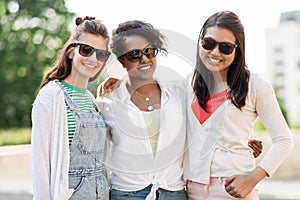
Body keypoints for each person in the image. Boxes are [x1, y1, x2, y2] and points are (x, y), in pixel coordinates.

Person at [183, 10, 294, 199]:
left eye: (225, 47)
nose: (215, 52)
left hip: (233, 189)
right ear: (200, 42)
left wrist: (252, 179)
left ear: (238, 50)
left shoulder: (255, 85)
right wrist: (118, 85)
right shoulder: (188, 85)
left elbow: (284, 140)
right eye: (208, 43)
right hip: (192, 190)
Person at [96, 20, 188, 200]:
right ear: (122, 60)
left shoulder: (179, 95)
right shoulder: (107, 103)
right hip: (126, 194)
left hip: (174, 193)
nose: (144, 58)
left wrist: (241, 144)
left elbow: (206, 125)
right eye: (134, 54)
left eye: (149, 51)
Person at [31, 16, 111, 200]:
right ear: (70, 52)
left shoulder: (92, 100)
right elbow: (40, 162)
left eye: (101, 54)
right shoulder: (51, 96)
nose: (93, 59)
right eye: (86, 50)